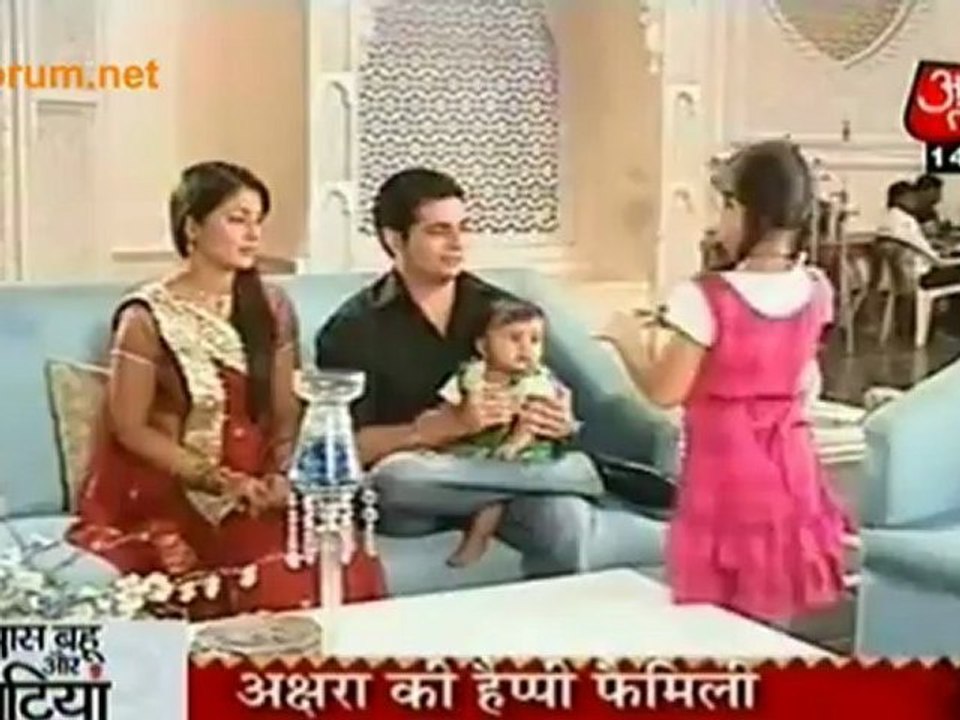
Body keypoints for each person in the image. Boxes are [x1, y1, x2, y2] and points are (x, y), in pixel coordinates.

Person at [67, 161, 385, 619]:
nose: (253, 234)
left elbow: (285, 414)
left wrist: (282, 476)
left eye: (258, 221)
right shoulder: (147, 316)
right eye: (237, 220)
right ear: (192, 227)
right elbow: (130, 427)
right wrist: (221, 481)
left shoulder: (272, 306)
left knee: (343, 559)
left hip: (260, 480)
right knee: (271, 575)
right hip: (181, 485)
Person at [314, 168, 604, 578]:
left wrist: (559, 420)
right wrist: (439, 428)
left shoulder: (502, 311)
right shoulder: (353, 328)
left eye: (463, 228)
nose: (457, 244)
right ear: (394, 239)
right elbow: (345, 449)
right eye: (439, 231)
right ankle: (571, 478)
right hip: (421, 492)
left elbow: (543, 390)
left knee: (566, 516)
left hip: (501, 463)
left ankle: (546, 623)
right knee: (397, 478)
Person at [640, 140, 850, 621]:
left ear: (741, 209)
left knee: (716, 620)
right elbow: (806, 381)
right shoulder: (817, 289)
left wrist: (626, 340)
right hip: (793, 466)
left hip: (726, 473)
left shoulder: (704, 296)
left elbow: (664, 391)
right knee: (773, 615)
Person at [437, 297, 570, 566]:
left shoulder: (536, 381)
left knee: (494, 491)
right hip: (476, 445)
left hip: (523, 451)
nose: (526, 349)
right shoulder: (471, 374)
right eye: (514, 339)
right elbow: (448, 409)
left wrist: (515, 444)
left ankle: (478, 538)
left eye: (535, 340)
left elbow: (534, 419)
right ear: (483, 346)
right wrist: (448, 430)